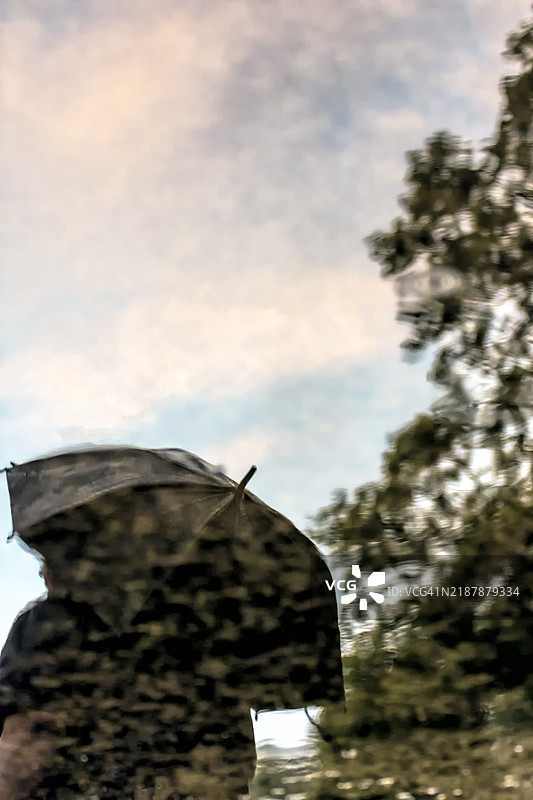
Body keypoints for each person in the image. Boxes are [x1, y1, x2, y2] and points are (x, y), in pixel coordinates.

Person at [0, 557, 257, 800]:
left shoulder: (47, 627)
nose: (41, 570)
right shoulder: (207, 629)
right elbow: (235, 766)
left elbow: (24, 744)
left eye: (47, 558)